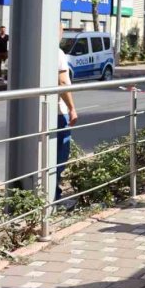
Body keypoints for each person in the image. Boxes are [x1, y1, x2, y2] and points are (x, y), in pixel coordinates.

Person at [56, 33, 78, 202]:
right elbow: (62, 82)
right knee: (60, 155)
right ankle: (53, 195)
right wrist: (72, 108)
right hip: (58, 113)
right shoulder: (57, 53)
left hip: (37, 111)